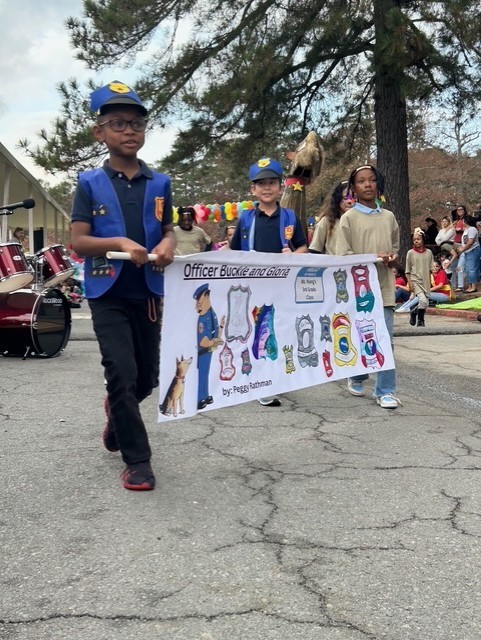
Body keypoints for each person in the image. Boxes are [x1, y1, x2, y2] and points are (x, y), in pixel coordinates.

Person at [70, 81, 176, 491]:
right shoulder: (90, 183)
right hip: (107, 291)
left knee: (146, 377)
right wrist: (119, 242)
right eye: (117, 123)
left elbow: (167, 230)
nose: (129, 131)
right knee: (121, 371)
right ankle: (138, 461)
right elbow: (78, 242)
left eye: (136, 123)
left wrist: (167, 244)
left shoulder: (160, 183)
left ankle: (117, 414)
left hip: (148, 291)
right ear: (100, 133)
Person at [230, 157, 308, 407]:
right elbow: (233, 254)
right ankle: (261, 382)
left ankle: (275, 377)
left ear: (280, 186)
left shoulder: (290, 217)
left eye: (271, 182)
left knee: (282, 331)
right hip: (252, 287)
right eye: (260, 183)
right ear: (253, 189)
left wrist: (293, 256)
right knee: (258, 332)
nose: (266, 188)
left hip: (282, 287)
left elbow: (304, 247)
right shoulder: (245, 219)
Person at [336, 164, 401, 409]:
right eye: (361, 181)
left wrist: (392, 258)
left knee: (385, 339)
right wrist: (375, 257)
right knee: (360, 334)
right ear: (353, 188)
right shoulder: (348, 218)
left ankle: (385, 390)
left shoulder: (389, 217)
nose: (367, 185)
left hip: (383, 287)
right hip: (358, 290)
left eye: (372, 180)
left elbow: (395, 248)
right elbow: (344, 255)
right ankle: (358, 374)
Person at [308, 181, 355, 254]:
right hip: (333, 264)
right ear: (338, 199)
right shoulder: (326, 222)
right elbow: (314, 250)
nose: (350, 201)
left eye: (353, 197)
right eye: (345, 198)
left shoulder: (362, 221)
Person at [404, 229, 435, 327]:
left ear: (423, 239)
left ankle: (414, 312)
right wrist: (410, 283)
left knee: (424, 302)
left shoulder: (429, 252)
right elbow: (407, 270)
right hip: (415, 279)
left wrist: (431, 280)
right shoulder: (410, 253)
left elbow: (431, 269)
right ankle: (421, 321)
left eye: (419, 239)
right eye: (414, 240)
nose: (416, 241)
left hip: (425, 280)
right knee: (422, 300)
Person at [456, 215, 480, 293]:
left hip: (473, 250)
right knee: (467, 269)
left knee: (472, 269)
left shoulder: (472, 229)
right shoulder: (466, 230)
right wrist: (462, 248)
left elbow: (470, 242)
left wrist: (463, 249)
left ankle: (474, 286)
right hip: (467, 251)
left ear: (466, 221)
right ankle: (470, 286)